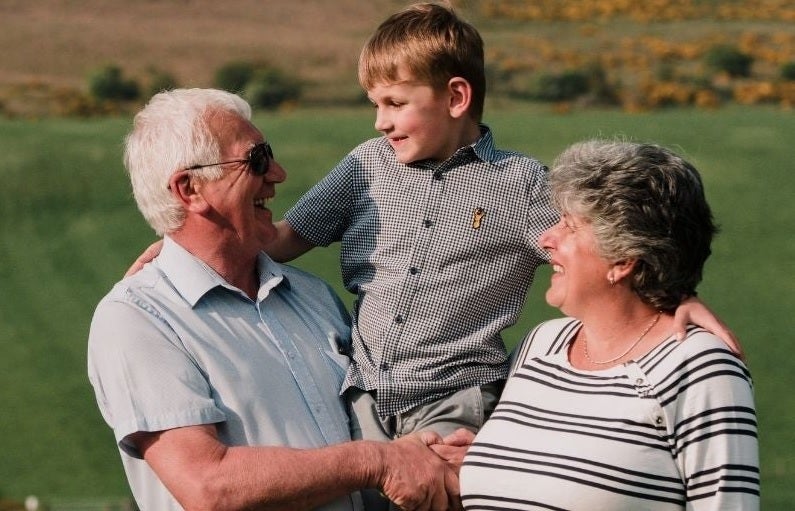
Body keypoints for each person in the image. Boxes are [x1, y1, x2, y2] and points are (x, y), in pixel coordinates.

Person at [126, 3, 739, 446]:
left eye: (395, 104)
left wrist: (676, 300)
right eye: (374, 105)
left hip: (460, 396)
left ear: (455, 98)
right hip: (363, 395)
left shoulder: (521, 184)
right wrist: (181, 241)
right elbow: (282, 241)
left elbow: (600, 248)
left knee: (435, 489)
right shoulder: (364, 168)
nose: (379, 122)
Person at [87, 88, 463, 511]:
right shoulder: (137, 321)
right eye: (257, 159)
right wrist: (375, 462)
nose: (278, 174)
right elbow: (209, 485)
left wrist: (449, 451)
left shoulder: (311, 294)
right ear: (189, 189)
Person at [458, 139, 759, 510]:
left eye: (569, 226)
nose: (545, 239)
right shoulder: (542, 344)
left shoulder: (700, 367)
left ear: (622, 260)